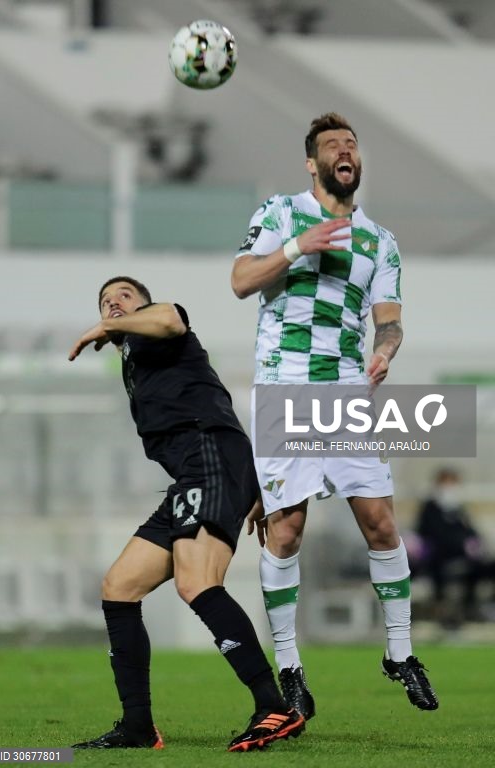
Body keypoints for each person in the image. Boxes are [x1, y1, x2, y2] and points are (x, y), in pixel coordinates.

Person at [231, 112, 439, 716]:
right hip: (284, 389)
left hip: (348, 392)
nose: (345, 151)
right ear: (312, 162)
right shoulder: (280, 213)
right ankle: (291, 669)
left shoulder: (380, 240)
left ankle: (399, 651)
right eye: (332, 145)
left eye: (351, 144)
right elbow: (241, 280)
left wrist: (385, 350)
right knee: (287, 529)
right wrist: (298, 247)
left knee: (380, 522)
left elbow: (390, 320)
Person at [67, 276, 305, 752]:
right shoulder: (135, 359)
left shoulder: (163, 327)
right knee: (119, 588)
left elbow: (171, 317)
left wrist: (106, 324)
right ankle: (137, 726)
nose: (113, 302)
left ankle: (273, 706)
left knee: (196, 582)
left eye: (124, 297)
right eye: (104, 300)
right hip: (192, 474)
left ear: (143, 307)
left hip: (209, 459)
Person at [415, 467, 495, 625]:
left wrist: (474, 544)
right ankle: (442, 611)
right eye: (448, 483)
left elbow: (472, 532)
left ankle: (476, 607)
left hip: (465, 558)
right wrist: (460, 543)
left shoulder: (458, 510)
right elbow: (431, 533)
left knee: (488, 566)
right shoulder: (430, 508)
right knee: (439, 570)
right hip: (439, 558)